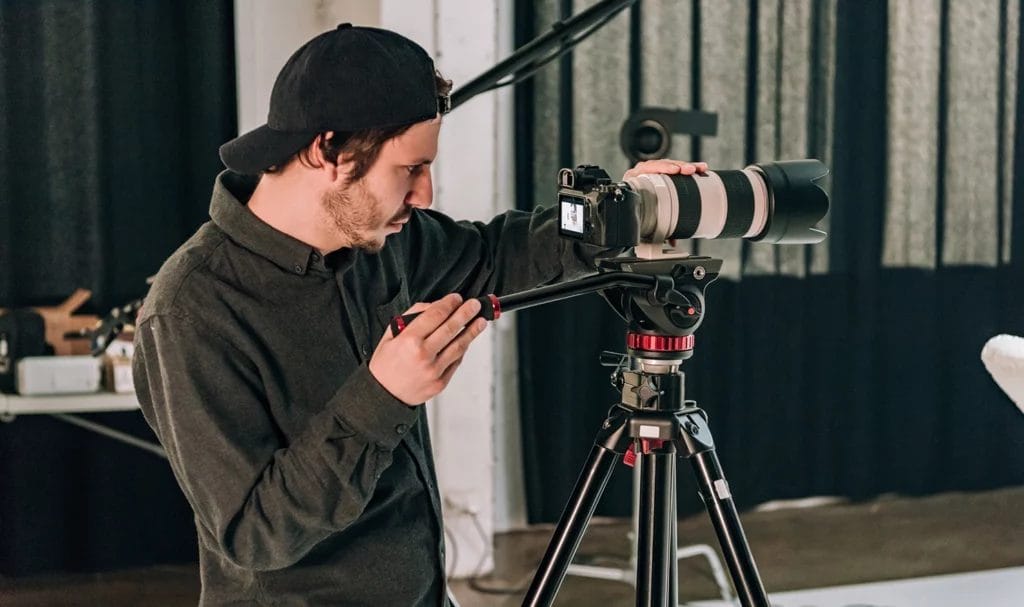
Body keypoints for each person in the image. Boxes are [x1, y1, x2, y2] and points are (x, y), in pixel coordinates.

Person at [132, 23, 708, 607]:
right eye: (410, 168)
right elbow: (254, 535)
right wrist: (383, 395)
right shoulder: (190, 312)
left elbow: (493, 254)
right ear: (327, 151)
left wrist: (617, 213)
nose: (425, 194)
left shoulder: (377, 240)